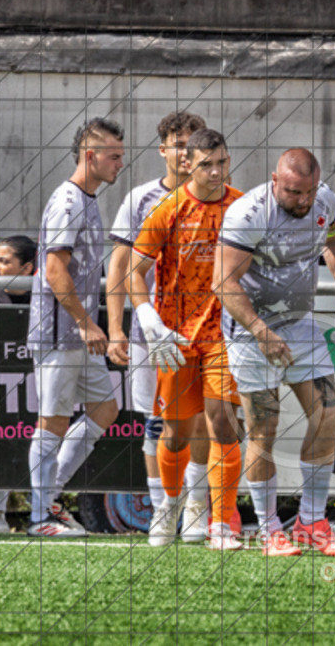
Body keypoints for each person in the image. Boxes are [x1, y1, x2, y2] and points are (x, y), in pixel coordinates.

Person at [214, 148, 335, 557]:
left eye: (307, 192)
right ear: (275, 181)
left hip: (299, 324)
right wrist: (259, 331)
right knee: (264, 429)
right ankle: (270, 529)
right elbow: (223, 283)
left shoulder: (324, 199)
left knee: (328, 415)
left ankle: (313, 522)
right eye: (293, 192)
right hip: (249, 331)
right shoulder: (248, 214)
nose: (302, 201)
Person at [128, 128, 244, 551]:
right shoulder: (169, 209)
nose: (215, 171)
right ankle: (168, 507)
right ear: (187, 164)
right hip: (175, 337)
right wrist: (147, 318)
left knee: (223, 424)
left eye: (222, 162)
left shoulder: (242, 205)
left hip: (225, 335)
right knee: (174, 433)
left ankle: (219, 522)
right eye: (206, 164)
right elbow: (133, 272)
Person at [105, 111, 213, 542]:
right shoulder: (140, 199)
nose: (186, 151)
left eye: (193, 142)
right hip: (153, 332)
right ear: (163, 150)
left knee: (205, 419)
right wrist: (117, 328)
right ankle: (161, 509)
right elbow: (119, 267)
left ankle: (198, 506)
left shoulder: (220, 197)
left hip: (205, 332)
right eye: (178, 143)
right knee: (158, 423)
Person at [26, 118, 124, 537]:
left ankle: (49, 499)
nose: (120, 162)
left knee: (106, 409)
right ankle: (38, 517)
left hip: (77, 334)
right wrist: (87, 324)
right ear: (91, 156)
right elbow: (53, 270)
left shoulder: (87, 198)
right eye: (114, 155)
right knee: (52, 421)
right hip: (59, 333)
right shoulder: (68, 201)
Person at [0, 235, 37, 534]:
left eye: (4, 261)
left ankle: (45, 509)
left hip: (37, 388)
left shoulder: (46, 296)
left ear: (27, 268)